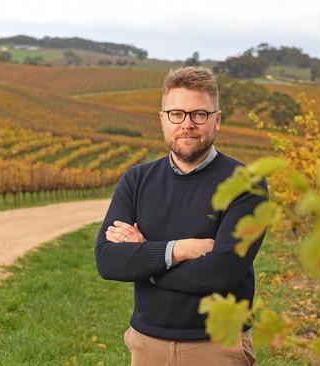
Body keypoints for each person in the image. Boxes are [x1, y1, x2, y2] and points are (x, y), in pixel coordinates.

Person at [94, 66, 267, 365]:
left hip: (218, 347)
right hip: (147, 345)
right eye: (177, 114)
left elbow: (222, 273)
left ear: (217, 119)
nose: (187, 124)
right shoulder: (136, 180)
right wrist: (181, 250)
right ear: (163, 119)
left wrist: (145, 258)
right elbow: (108, 260)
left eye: (199, 114)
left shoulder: (246, 182)